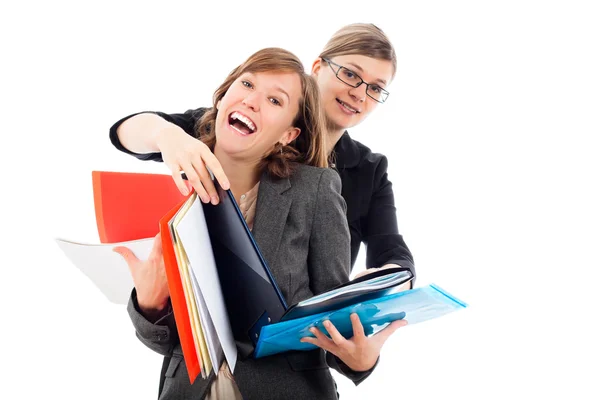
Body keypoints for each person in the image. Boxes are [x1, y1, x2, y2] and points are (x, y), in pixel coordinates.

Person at [112, 47, 407, 400]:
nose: (252, 101)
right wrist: (149, 306)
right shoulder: (181, 182)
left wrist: (361, 360)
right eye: (247, 84)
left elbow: (335, 323)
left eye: (275, 101)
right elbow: (166, 343)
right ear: (222, 99)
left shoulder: (316, 189)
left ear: (289, 135)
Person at [109, 23, 415, 283]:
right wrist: (166, 135)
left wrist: (390, 285)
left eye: (375, 88)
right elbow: (125, 133)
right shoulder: (234, 125)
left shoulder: (368, 171)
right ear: (318, 68)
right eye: (350, 74)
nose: (359, 93)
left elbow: (392, 252)